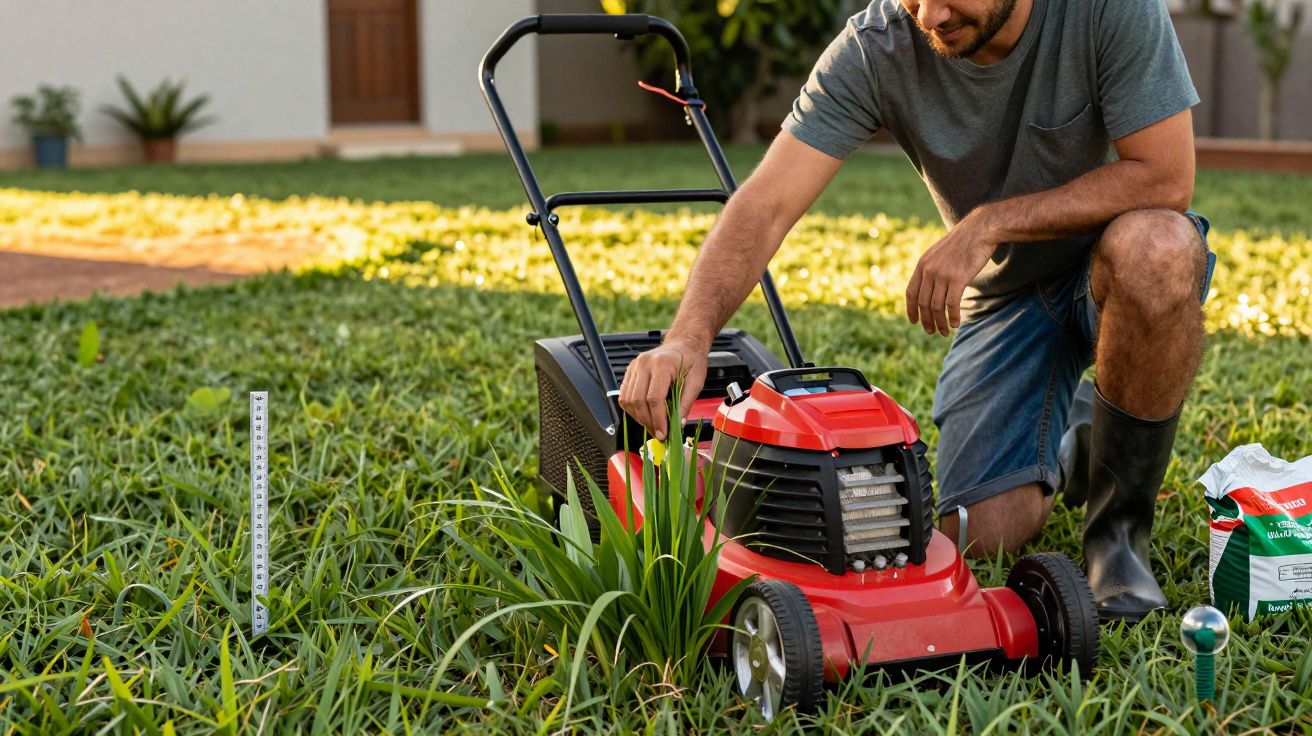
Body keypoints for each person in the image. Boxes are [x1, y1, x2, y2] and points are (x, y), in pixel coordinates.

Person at [617, 0, 1214, 623]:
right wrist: (689, 337)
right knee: (980, 532)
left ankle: (1118, 538)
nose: (930, 13)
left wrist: (989, 222)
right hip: (1009, 298)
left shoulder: (1108, 11)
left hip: (1108, 261)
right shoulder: (878, 47)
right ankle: (1077, 444)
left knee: (1161, 248)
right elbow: (766, 200)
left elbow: (1166, 178)